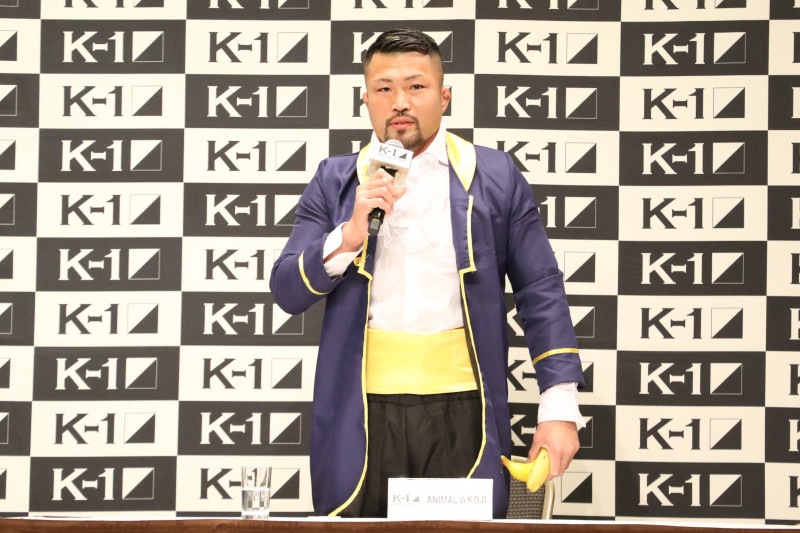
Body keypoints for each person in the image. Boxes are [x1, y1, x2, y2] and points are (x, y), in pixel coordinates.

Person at [270, 28, 584, 519]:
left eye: (416, 86)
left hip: (465, 412)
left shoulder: (495, 175)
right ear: (366, 100)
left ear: (444, 96)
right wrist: (349, 235)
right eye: (384, 88)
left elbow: (540, 289)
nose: (400, 102)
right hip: (360, 414)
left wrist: (560, 406)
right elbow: (288, 291)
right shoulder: (335, 180)